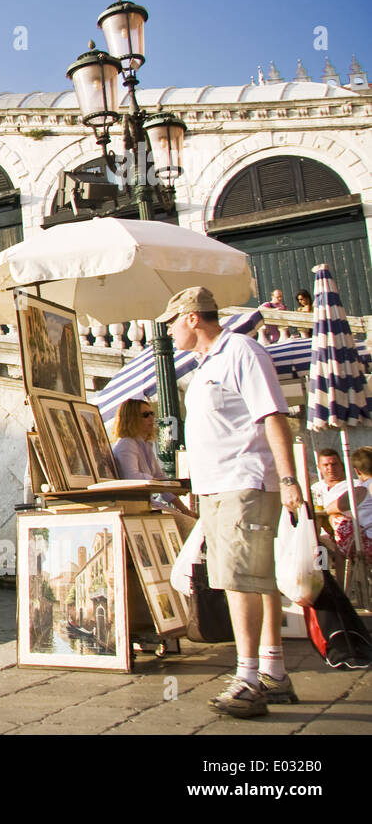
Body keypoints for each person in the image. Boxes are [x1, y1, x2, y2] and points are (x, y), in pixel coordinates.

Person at [159, 286, 303, 718]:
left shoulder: (242, 351)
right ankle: (273, 673)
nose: (167, 333)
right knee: (253, 578)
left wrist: (290, 479)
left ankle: (248, 678)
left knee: (241, 581)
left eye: (170, 323)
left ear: (190, 318)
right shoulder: (204, 366)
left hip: (245, 482)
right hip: (219, 488)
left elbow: (272, 416)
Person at [111, 399, 165, 480]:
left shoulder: (146, 444)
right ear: (132, 419)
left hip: (147, 491)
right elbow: (131, 476)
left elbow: (160, 475)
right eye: (145, 415)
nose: (151, 418)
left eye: (152, 414)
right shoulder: (126, 443)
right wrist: (156, 482)